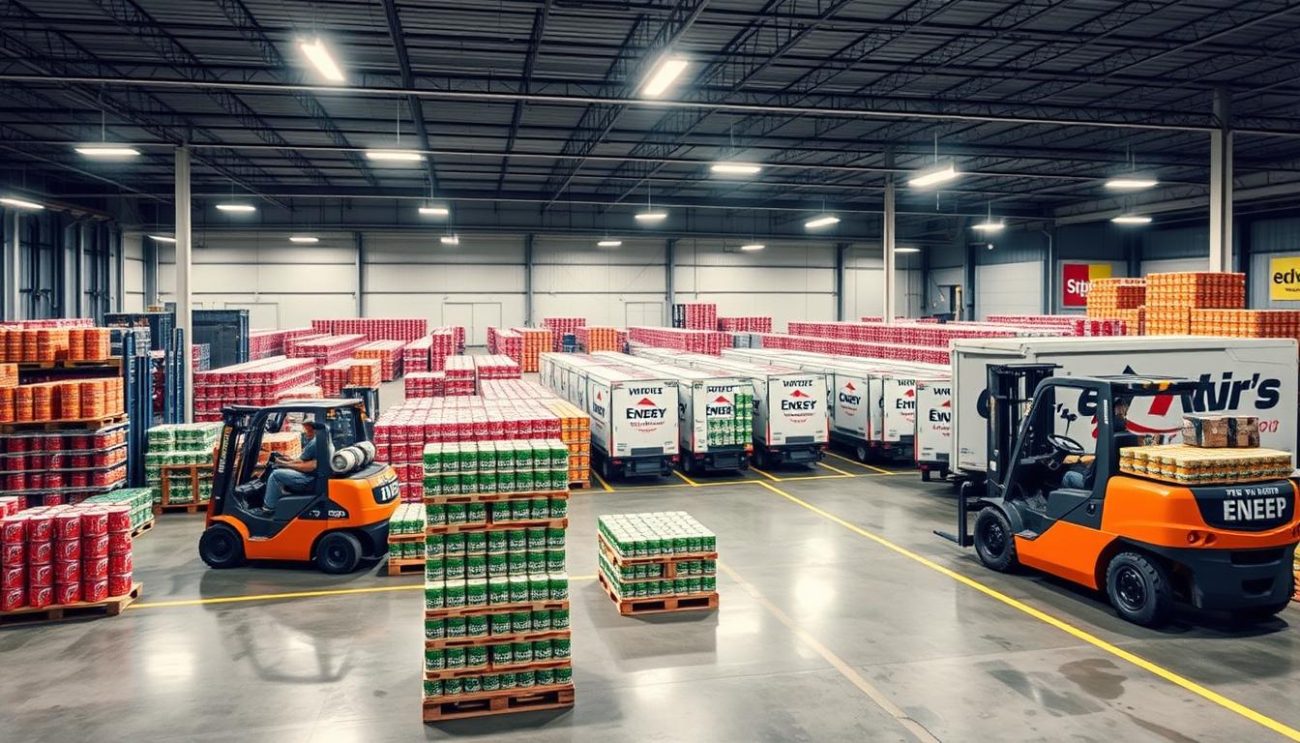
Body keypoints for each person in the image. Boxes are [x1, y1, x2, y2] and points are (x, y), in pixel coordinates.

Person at [1061, 396, 1132, 490]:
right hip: (1111, 477)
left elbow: (1099, 461)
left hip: (1097, 482)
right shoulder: (1127, 436)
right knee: (1077, 468)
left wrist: (1079, 459)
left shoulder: (1108, 439)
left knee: (1068, 475)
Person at [263, 420, 319, 512]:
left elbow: (305, 465)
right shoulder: (321, 439)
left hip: (309, 480)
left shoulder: (314, 443)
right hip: (313, 477)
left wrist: (283, 464)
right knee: (279, 468)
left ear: (313, 429)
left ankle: (269, 507)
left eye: (307, 430)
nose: (305, 433)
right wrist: (284, 459)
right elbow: (301, 461)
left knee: (275, 475)